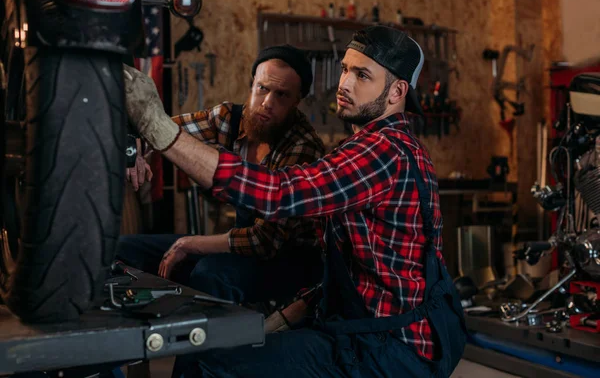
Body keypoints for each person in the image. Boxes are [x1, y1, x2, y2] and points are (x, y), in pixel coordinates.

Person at [125, 26, 466, 377]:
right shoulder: (368, 147)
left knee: (215, 363)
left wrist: (157, 127)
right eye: (345, 69)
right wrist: (287, 316)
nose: (344, 84)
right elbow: (359, 270)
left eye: (362, 75)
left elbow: (279, 194)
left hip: (389, 349)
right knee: (226, 350)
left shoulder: (385, 152)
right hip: (363, 332)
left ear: (397, 91)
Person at [118, 45, 326, 306]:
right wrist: (132, 149)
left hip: (285, 260)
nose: (267, 103)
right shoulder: (229, 119)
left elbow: (265, 241)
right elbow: (163, 130)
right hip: (241, 242)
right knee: (124, 249)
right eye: (262, 88)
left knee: (211, 275)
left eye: (282, 95)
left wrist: (190, 243)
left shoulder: (303, 148)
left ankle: (209, 344)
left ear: (297, 101)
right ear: (252, 85)